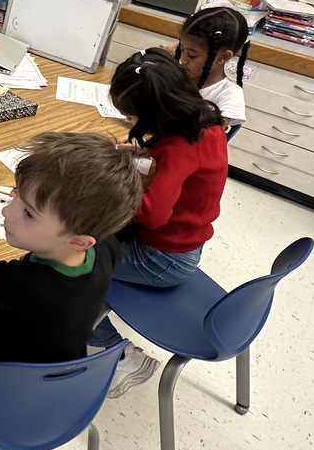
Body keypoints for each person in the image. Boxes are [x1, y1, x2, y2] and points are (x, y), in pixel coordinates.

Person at [0, 132, 143, 399]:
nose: (7, 211)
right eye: (16, 193)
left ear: (78, 242)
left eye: (29, 213)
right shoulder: (104, 247)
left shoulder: (23, 285)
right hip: (54, 372)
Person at [89, 48, 229, 395]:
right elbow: (177, 176)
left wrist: (124, 179)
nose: (133, 123)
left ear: (156, 113)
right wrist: (145, 155)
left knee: (70, 268)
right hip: (182, 244)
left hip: (162, 259)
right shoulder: (205, 125)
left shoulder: (180, 147)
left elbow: (153, 215)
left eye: (134, 116)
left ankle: (120, 355)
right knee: (90, 237)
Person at [173, 6, 250, 130]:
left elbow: (207, 139)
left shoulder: (229, 95)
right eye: (181, 49)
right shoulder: (176, 76)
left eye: (192, 55)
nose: (183, 60)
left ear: (223, 57)